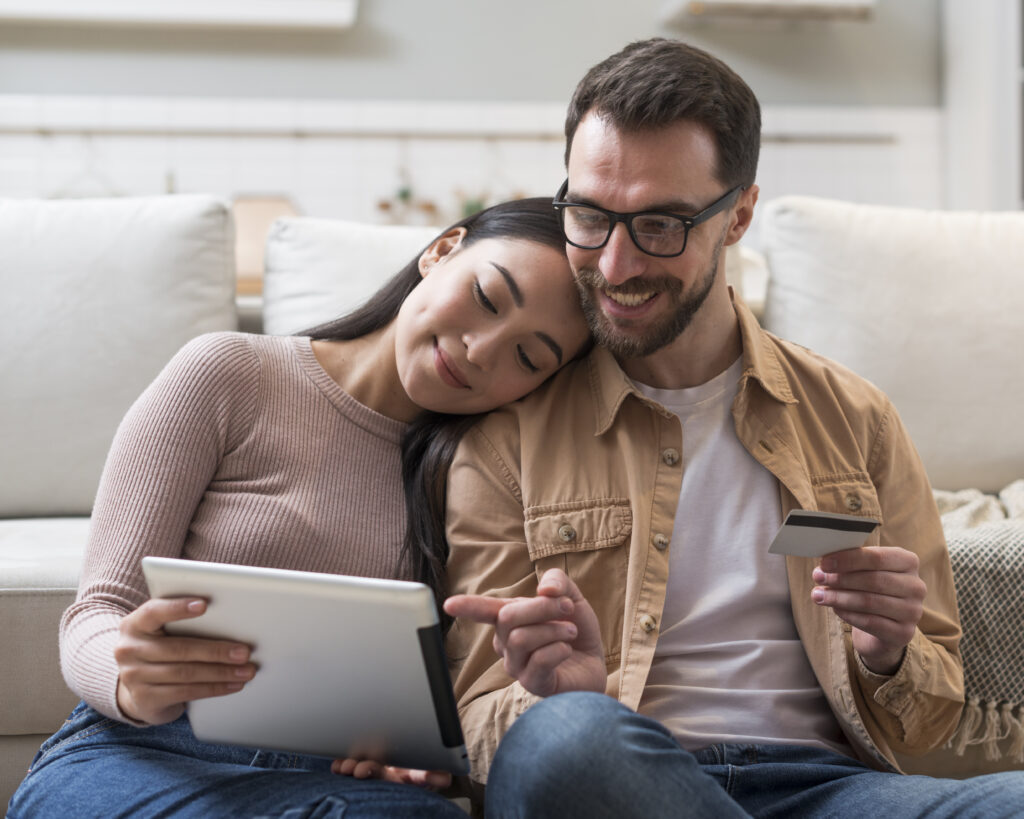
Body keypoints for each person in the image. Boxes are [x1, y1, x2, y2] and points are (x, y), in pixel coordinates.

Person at [441, 38, 1024, 818]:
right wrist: (559, 698)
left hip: (835, 790)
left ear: (739, 214)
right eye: (589, 215)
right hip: (622, 775)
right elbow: (472, 722)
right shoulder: (506, 438)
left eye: (661, 224)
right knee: (567, 743)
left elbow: (931, 725)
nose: (614, 266)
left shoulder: (856, 420)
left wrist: (887, 655)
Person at [7, 197, 590, 819]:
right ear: (441, 250)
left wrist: (403, 755)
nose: (482, 349)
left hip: (327, 782)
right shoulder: (228, 374)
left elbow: (434, 699)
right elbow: (96, 609)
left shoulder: (480, 477)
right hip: (141, 751)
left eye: (529, 357)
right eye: (487, 297)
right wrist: (130, 679)